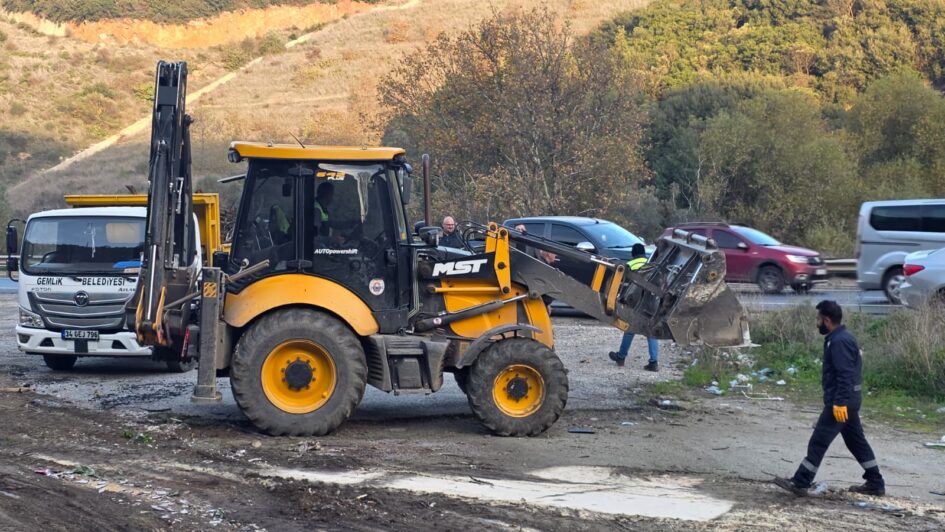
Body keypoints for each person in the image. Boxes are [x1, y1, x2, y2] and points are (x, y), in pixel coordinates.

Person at [774, 300, 885, 497]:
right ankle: (875, 482)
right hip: (848, 401)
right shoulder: (840, 338)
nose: (817, 323)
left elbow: (845, 374)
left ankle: (800, 482)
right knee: (857, 443)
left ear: (827, 320)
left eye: (818, 319)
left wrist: (839, 403)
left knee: (818, 441)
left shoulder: (840, 341)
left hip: (841, 403)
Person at [608, 243, 659, 371]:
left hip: (636, 303)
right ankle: (653, 362)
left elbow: (624, 285)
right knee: (651, 332)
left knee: (630, 330)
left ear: (633, 253)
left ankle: (621, 356)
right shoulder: (651, 264)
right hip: (651, 303)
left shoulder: (630, 265)